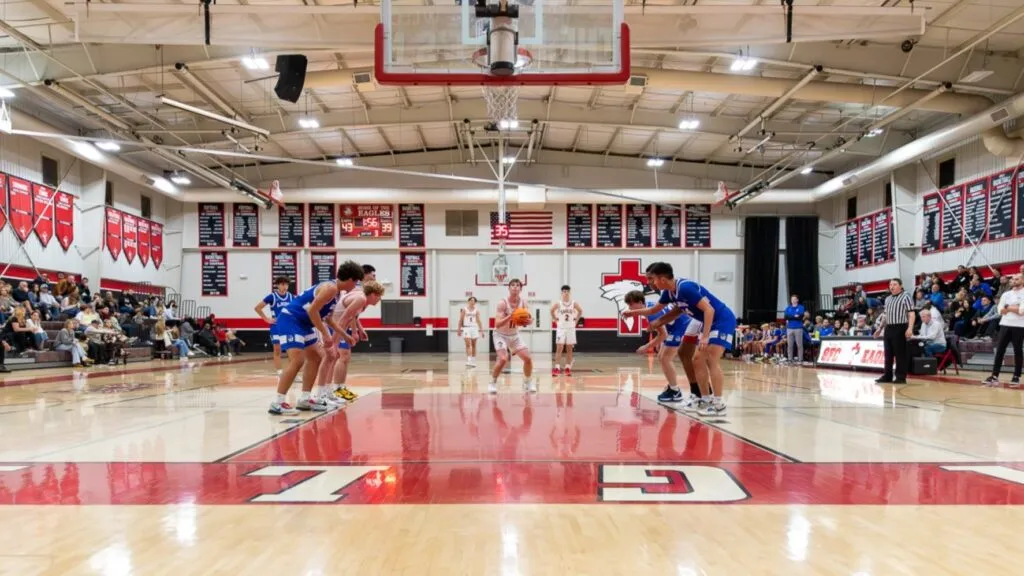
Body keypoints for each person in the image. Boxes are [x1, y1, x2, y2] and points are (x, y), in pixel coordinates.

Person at [625, 262, 736, 416]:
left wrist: (704, 336)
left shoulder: (685, 287)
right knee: (687, 354)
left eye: (651, 279)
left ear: (662, 278)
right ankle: (703, 397)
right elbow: (658, 310)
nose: (649, 283)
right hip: (702, 320)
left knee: (708, 359)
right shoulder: (669, 293)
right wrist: (634, 314)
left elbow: (709, 309)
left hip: (721, 320)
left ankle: (718, 403)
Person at [268, 260, 364, 415]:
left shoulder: (336, 292)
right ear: (351, 279)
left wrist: (346, 335)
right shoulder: (330, 288)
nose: (355, 286)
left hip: (304, 323)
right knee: (297, 360)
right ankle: (277, 403)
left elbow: (329, 319)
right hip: (291, 319)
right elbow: (313, 311)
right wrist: (326, 335)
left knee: (317, 357)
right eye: (356, 282)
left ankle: (305, 399)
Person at [623, 290, 700, 409]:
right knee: (662, 357)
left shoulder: (651, 313)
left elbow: (663, 334)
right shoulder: (648, 306)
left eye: (631, 304)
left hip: (681, 326)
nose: (629, 307)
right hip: (676, 326)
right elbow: (662, 331)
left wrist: (646, 346)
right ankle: (673, 386)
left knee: (666, 358)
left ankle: (675, 390)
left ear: (639, 302)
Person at [321, 281, 386, 406]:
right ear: (373, 294)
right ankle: (324, 393)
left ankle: (329, 392)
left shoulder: (362, 298)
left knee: (334, 358)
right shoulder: (360, 298)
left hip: (337, 326)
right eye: (379, 296)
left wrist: (359, 330)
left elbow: (352, 317)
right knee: (331, 357)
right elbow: (343, 319)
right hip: (332, 325)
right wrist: (335, 341)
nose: (380, 299)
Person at [488, 278, 535, 394]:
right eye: (512, 285)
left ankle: (527, 381)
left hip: (514, 335)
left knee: (528, 359)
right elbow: (497, 324)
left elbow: (527, 319)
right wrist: (511, 316)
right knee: (504, 359)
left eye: (517, 285)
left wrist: (528, 321)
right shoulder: (502, 303)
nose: (515, 287)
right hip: (500, 334)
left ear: (520, 289)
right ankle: (492, 382)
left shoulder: (523, 303)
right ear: (508, 288)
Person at [983, 274, 1024, 387]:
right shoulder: (1006, 294)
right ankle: (994, 376)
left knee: (1018, 351)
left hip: (1019, 326)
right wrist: (1015, 307)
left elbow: (1022, 311)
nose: (1014, 281)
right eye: (1013, 279)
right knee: (1000, 350)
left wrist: (1009, 308)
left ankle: (1016, 376)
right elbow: (1000, 310)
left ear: (1023, 280)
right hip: (1005, 324)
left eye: (1017, 279)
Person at [876, 278, 915, 385]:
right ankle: (887, 376)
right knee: (888, 354)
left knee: (900, 354)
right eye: (890, 285)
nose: (892, 286)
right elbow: (885, 315)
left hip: (900, 327)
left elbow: (911, 313)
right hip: (888, 328)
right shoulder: (887, 299)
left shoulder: (906, 296)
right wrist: (879, 329)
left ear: (901, 286)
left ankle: (901, 377)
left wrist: (910, 328)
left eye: (894, 284)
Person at [255, 277, 294, 375]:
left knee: (291, 351)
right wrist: (266, 319)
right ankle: (280, 373)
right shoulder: (272, 296)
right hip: (276, 326)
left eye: (286, 284)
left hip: (288, 326)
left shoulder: (291, 296)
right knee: (277, 350)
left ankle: (291, 373)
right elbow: (257, 308)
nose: (284, 286)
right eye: (282, 284)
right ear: (278, 285)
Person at [550, 285, 583, 376]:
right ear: (562, 293)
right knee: (559, 348)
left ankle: (568, 367)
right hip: (561, 328)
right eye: (564, 291)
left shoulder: (573, 303)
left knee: (569, 349)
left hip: (571, 328)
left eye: (567, 291)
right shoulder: (558, 303)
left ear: (569, 292)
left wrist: (576, 321)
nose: (566, 293)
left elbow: (580, 311)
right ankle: (557, 367)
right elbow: (551, 310)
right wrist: (555, 320)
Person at [457, 296, 482, 366]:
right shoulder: (464, 310)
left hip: (474, 328)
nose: (472, 302)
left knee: (474, 345)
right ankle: (469, 360)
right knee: (468, 344)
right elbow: (460, 320)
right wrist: (459, 329)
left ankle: (473, 361)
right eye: (471, 300)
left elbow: (479, 321)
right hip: (466, 328)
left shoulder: (476, 310)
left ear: (475, 302)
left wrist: (481, 330)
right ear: (468, 301)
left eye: (473, 301)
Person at [784, 294, 805, 364]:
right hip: (789, 328)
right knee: (790, 345)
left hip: (798, 328)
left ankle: (800, 359)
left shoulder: (801, 307)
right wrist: (795, 316)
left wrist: (792, 316)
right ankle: (790, 359)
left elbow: (800, 317)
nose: (793, 300)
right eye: (792, 299)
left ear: (797, 300)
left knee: (799, 344)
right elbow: (786, 317)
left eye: (794, 299)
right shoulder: (788, 308)